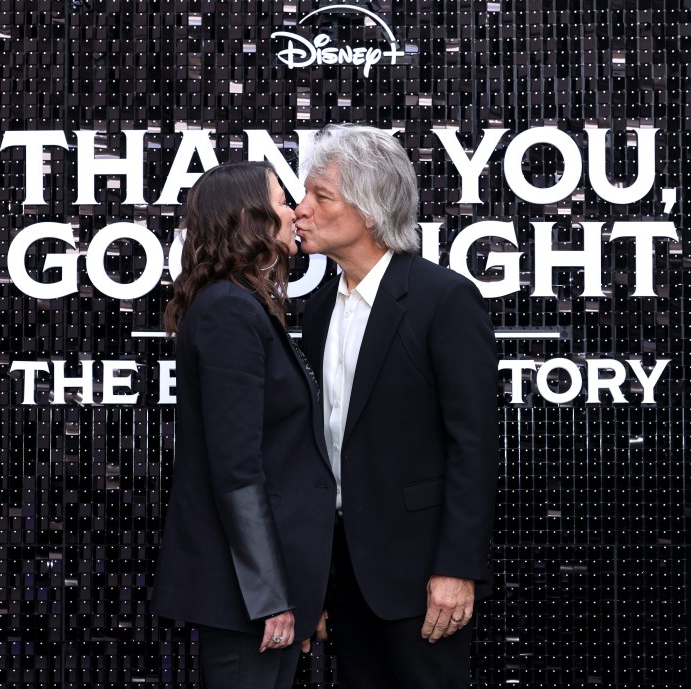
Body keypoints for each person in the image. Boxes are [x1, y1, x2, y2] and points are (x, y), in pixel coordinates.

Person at [295, 124, 500, 688]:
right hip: (342, 576)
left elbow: (474, 447)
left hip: (421, 578)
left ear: (368, 208)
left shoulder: (443, 300)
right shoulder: (317, 311)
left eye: (320, 196)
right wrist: (312, 579)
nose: (299, 210)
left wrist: (456, 568)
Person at [153, 161, 336, 689]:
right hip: (244, 598)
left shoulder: (241, 304)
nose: (295, 212)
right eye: (282, 201)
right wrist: (271, 597)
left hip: (258, 592)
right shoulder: (229, 310)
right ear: (249, 219)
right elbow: (236, 469)